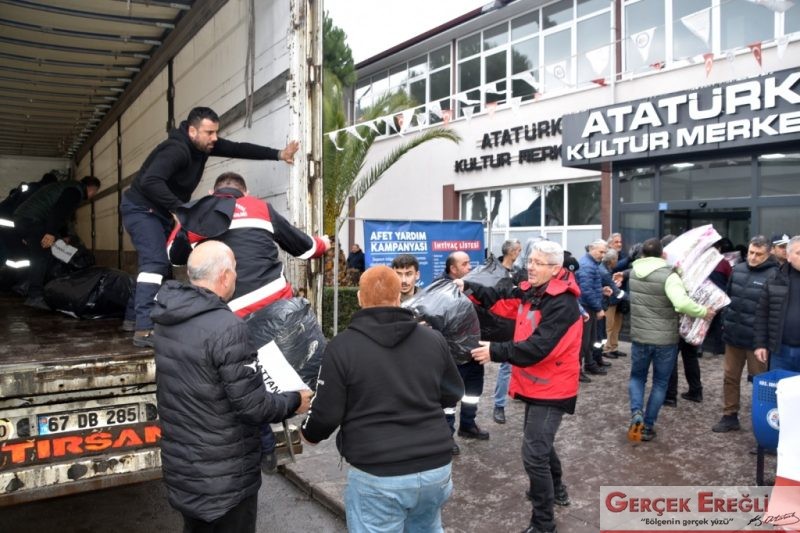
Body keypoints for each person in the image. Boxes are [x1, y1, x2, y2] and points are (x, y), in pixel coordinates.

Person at [167, 171, 329, 472]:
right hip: (275, 310)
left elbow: (174, 256)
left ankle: (265, 445)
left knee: (246, 384)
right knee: (311, 356)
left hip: (231, 318)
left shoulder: (199, 215)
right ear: (245, 191)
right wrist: (324, 244)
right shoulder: (260, 207)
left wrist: (181, 225)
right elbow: (305, 247)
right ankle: (313, 413)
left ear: (215, 193)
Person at [151, 240, 312, 533]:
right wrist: (294, 401)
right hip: (225, 480)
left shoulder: (166, 319)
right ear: (224, 276)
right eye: (235, 270)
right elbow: (253, 406)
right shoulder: (227, 327)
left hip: (186, 471)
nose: (237, 277)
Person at [301, 265, 464, 533]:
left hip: (378, 473)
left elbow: (326, 413)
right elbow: (452, 392)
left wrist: (309, 434)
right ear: (399, 296)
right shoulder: (433, 339)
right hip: (435, 468)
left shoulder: (342, 347)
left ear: (360, 298)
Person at [121, 106, 299, 347]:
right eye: (209, 132)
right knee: (156, 263)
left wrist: (278, 154)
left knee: (156, 265)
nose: (215, 138)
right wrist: (179, 210)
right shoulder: (177, 150)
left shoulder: (203, 145)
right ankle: (143, 329)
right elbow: (150, 181)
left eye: (216, 132)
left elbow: (238, 149)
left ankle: (132, 319)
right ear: (192, 131)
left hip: (160, 212)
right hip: (142, 209)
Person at [459, 240, 581, 533]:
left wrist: (495, 352)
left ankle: (543, 523)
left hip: (554, 388)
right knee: (539, 443)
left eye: (538, 263)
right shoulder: (533, 290)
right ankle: (557, 488)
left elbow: (538, 347)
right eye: (531, 261)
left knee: (534, 452)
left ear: (555, 269)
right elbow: (501, 294)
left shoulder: (562, 303)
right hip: (535, 384)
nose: (530, 266)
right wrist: (469, 287)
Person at [627, 238, 714, 442]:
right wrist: (703, 311)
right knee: (660, 382)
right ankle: (647, 426)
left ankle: (636, 412)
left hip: (640, 336)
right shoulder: (669, 276)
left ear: (642, 254)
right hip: (665, 340)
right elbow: (681, 303)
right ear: (663, 254)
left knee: (637, 377)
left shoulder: (633, 273)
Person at [711, 236, 777, 432]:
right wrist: (725, 324)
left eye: (758, 254)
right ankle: (730, 415)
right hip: (734, 336)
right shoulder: (738, 269)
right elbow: (728, 299)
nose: (753, 257)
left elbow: (774, 311)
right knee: (730, 377)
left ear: (768, 254)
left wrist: (765, 340)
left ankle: (762, 421)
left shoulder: (775, 275)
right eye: (751, 252)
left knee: (761, 383)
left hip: (758, 342)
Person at [12, 175, 101, 309]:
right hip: (33, 221)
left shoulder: (67, 187)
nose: (94, 195)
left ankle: (24, 286)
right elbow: (57, 212)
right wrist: (50, 233)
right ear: (92, 189)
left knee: (47, 254)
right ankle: (34, 296)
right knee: (41, 257)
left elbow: (62, 215)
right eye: (95, 193)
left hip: (24, 220)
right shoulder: (74, 191)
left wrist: (62, 235)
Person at [439, 250, 487, 449]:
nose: (470, 267)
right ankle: (446, 436)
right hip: (453, 355)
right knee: (449, 398)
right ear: (453, 268)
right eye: (465, 264)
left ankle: (467, 424)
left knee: (473, 392)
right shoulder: (440, 289)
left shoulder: (470, 285)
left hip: (474, 351)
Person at [755, 235, 800, 373]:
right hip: (780, 351)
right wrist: (760, 344)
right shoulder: (775, 279)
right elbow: (762, 314)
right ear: (788, 256)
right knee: (780, 391)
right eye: (798, 253)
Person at [493, 238, 522, 424]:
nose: (519, 253)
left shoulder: (520, 272)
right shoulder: (495, 272)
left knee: (520, 362)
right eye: (518, 250)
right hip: (503, 324)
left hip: (520, 323)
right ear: (510, 252)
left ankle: (519, 392)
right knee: (506, 366)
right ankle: (499, 405)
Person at [575, 239, 610, 376]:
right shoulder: (587, 266)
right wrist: (598, 308)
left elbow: (589, 287)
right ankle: (577, 370)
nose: (603, 255)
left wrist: (601, 290)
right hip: (586, 307)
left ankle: (589, 364)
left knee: (590, 340)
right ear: (591, 249)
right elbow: (586, 290)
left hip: (588, 306)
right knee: (584, 341)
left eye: (604, 252)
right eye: (601, 252)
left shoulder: (590, 264)